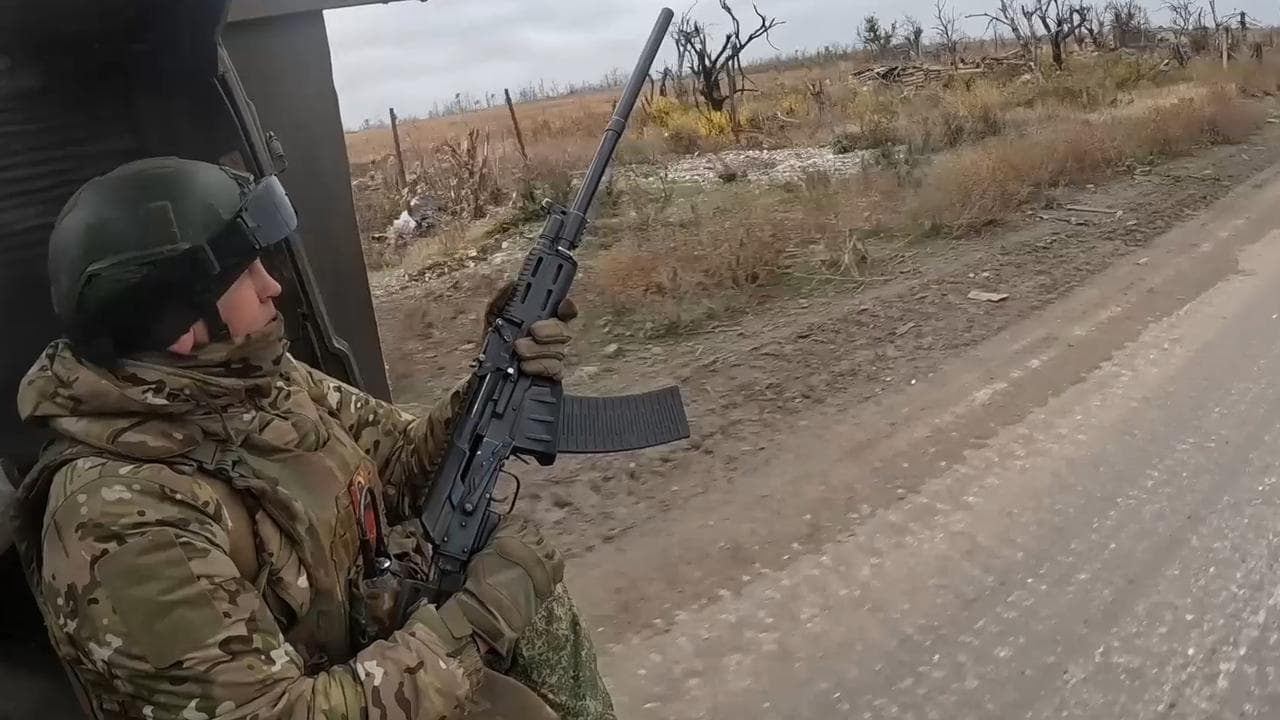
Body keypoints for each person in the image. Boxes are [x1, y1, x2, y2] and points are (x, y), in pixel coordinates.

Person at [10, 157, 615, 720]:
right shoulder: (118, 521)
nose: (271, 285)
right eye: (244, 274)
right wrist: (473, 625)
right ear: (178, 324)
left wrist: (493, 377)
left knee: (536, 606)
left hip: (373, 658)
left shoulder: (256, 380)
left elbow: (402, 465)